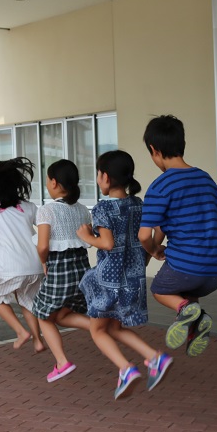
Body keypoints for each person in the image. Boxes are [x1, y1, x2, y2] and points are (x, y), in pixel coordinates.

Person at [78, 150, 172, 399]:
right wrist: (153, 250)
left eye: (98, 174)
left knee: (98, 331)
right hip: (132, 279)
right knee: (114, 328)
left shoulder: (102, 208)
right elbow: (157, 229)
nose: (98, 178)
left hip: (109, 281)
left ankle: (126, 368)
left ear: (106, 177)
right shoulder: (138, 205)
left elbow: (107, 243)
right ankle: (154, 357)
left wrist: (86, 236)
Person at [138, 114, 217, 357]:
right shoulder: (206, 179)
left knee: (160, 289)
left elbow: (144, 235)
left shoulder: (161, 186)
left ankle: (188, 311)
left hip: (187, 269)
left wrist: (153, 250)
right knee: (189, 294)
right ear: (182, 144)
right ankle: (194, 328)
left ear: (154, 150)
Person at [0, 157, 46, 352]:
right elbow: (45, 231)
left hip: (10, 266)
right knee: (26, 299)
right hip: (35, 266)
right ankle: (37, 340)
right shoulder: (29, 207)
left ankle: (21, 332)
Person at [30, 160, 92, 382]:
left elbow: (43, 246)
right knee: (62, 315)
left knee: (41, 313)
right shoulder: (82, 210)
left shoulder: (46, 211)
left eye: (48, 180)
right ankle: (98, 326)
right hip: (82, 270)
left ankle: (62, 362)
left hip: (59, 271)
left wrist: (43, 262)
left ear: (54, 182)